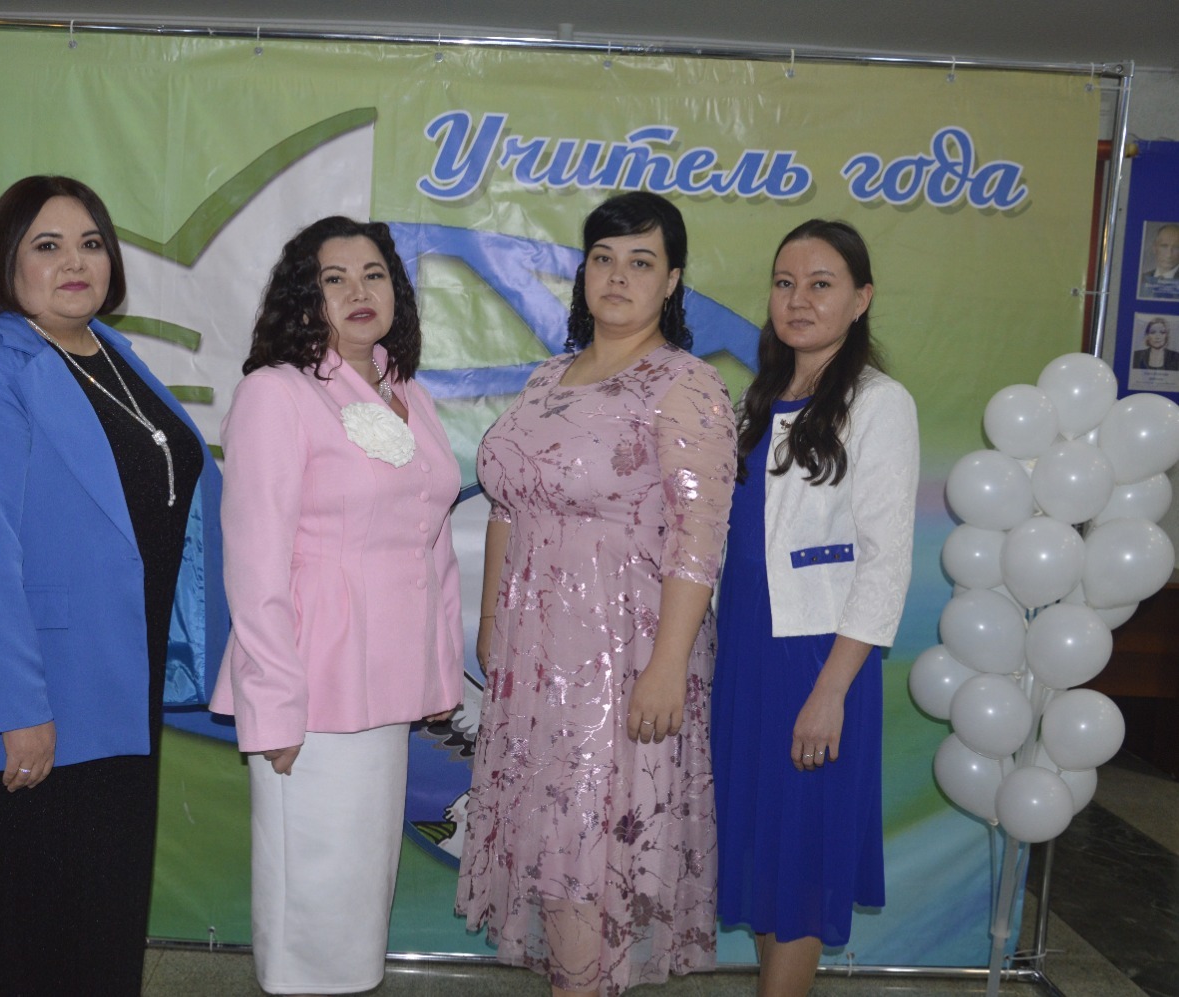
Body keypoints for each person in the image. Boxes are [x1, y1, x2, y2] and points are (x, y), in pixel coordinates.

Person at [0, 175, 225, 996]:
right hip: (34, 706)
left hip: (116, 690)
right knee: (21, 936)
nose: (75, 262)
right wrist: (18, 710)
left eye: (91, 243)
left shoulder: (109, 352)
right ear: (4, 262)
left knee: (99, 924)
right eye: (47, 245)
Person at [457, 191, 737, 997]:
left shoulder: (684, 385)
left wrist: (666, 666)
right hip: (535, 656)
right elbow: (507, 505)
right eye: (604, 258)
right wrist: (491, 621)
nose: (618, 276)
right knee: (552, 851)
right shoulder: (549, 377)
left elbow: (699, 537)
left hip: (623, 657)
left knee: (588, 855)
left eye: (641, 262)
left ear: (672, 280)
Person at [209, 216, 463, 996]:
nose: (359, 290)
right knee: (311, 890)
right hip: (312, 682)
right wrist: (274, 705)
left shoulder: (405, 391)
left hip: (386, 684)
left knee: (358, 888)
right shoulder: (276, 392)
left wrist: (439, 671)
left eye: (374, 274)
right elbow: (254, 562)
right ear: (304, 296)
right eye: (335, 277)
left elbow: (433, 543)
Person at [710, 219, 918, 997]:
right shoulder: (756, 400)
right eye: (785, 283)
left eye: (821, 284)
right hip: (745, 657)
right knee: (763, 848)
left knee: (799, 856)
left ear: (861, 299)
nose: (798, 299)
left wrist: (831, 689)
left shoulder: (879, 403)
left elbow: (886, 559)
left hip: (819, 659)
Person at [1137, 223, 1179, 299]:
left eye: (1176, 247)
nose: (1169, 254)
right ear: (1155, 247)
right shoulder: (1140, 279)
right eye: (1164, 246)